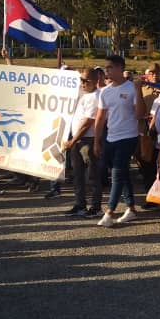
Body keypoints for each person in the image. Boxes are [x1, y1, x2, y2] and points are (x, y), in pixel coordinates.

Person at [94, 55, 146, 227]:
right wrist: (96, 141)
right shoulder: (105, 92)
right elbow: (100, 118)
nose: (106, 70)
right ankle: (131, 208)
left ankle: (109, 212)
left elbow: (139, 114)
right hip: (110, 137)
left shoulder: (131, 88)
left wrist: (138, 91)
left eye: (110, 67)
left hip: (128, 137)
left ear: (119, 68)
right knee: (121, 173)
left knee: (117, 174)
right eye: (106, 67)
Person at [62, 68, 102, 216]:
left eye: (86, 81)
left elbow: (87, 123)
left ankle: (96, 207)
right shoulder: (82, 93)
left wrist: (73, 140)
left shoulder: (95, 97)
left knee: (92, 175)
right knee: (77, 174)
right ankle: (80, 204)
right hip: (77, 139)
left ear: (95, 81)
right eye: (82, 80)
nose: (83, 83)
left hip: (88, 140)